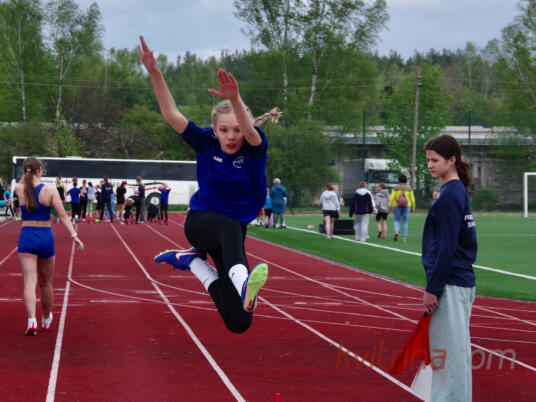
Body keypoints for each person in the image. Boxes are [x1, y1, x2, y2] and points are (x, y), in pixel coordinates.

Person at [139, 35, 275, 333]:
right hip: (201, 223)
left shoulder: (254, 148)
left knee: (239, 322)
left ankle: (194, 263)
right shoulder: (205, 142)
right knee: (228, 226)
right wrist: (156, 73)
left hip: (230, 234)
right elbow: (171, 114)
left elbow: (250, 132)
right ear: (214, 131)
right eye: (224, 130)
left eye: (237, 129)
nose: (231, 136)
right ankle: (244, 284)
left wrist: (236, 99)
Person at [422, 134, 477, 401]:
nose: (430, 165)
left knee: (448, 359)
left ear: (451, 160)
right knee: (455, 356)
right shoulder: (455, 192)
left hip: (450, 283)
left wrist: (432, 288)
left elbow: (446, 247)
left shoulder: (450, 195)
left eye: (435, 160)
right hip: (457, 281)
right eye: (428, 160)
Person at [15, 157, 84, 335]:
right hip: (45, 237)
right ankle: (46, 318)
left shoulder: (19, 189)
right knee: (46, 283)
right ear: (40, 170)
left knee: (29, 281)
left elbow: (21, 182)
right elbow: (63, 216)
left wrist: (26, 172)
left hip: (27, 236)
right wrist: (74, 236)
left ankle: (32, 320)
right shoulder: (50, 190)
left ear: (25, 171)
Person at [388, 174, 415, 243]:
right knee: (405, 222)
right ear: (406, 180)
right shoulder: (409, 188)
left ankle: (396, 232)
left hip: (397, 206)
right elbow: (412, 199)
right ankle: (404, 238)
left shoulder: (395, 188)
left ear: (399, 180)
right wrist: (413, 207)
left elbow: (391, 198)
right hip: (407, 206)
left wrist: (389, 206)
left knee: (396, 220)